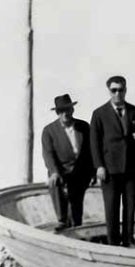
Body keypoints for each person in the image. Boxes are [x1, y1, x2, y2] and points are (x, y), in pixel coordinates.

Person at [90, 75, 135, 246]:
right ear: (109, 91)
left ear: (126, 90)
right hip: (110, 169)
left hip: (132, 167)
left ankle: (128, 240)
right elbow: (94, 143)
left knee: (130, 208)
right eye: (113, 90)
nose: (117, 93)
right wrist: (99, 166)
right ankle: (113, 243)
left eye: (121, 90)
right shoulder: (99, 114)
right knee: (111, 208)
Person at [41, 93, 93, 229]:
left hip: (81, 172)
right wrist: (54, 172)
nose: (64, 114)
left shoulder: (84, 127)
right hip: (62, 170)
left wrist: (94, 172)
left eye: (67, 110)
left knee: (76, 205)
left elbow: (91, 151)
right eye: (61, 111)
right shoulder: (49, 131)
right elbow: (48, 154)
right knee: (55, 182)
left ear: (72, 109)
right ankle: (62, 219)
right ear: (57, 113)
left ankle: (76, 226)